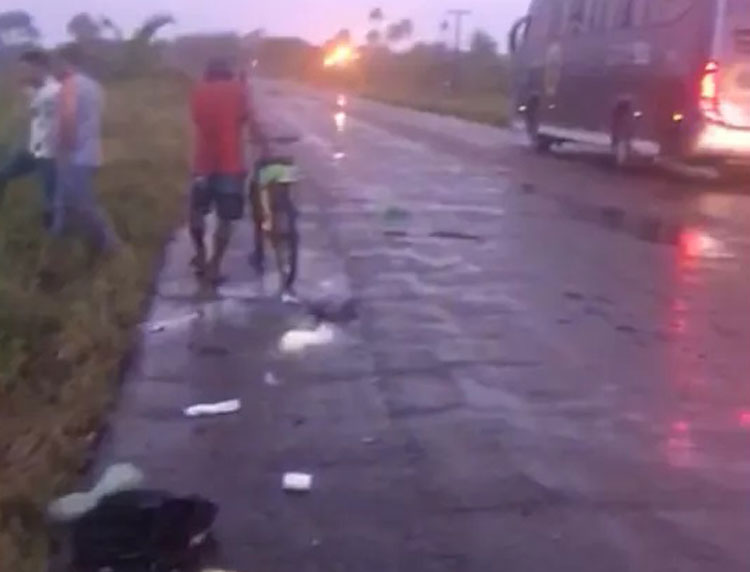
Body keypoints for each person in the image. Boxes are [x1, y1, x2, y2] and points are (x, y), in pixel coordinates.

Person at [189, 58, 253, 284]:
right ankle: (214, 266)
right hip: (230, 163)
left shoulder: (198, 90)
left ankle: (200, 254)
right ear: (228, 73)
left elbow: (196, 119)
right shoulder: (238, 89)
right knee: (226, 218)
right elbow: (246, 118)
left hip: (202, 163)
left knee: (197, 212)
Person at [52, 43, 118, 253]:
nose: (55, 67)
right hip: (91, 152)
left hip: (75, 154)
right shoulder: (95, 86)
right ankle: (59, 245)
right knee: (63, 201)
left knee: (83, 204)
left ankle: (110, 246)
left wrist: (65, 147)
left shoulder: (69, 85)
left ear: (66, 62)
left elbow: (68, 117)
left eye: (58, 62)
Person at [0, 49, 59, 228]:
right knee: (2, 174)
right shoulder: (36, 90)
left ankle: (54, 240)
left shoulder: (54, 92)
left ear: (40, 68)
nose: (23, 74)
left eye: (26, 69)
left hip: (50, 153)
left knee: (50, 200)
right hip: (33, 150)